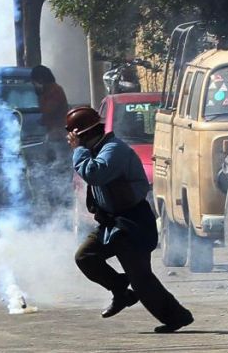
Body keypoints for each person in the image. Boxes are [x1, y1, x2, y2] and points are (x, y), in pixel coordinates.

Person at [68, 106, 193, 333]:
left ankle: (177, 317)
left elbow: (95, 173)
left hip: (131, 223)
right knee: (86, 256)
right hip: (111, 222)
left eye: (75, 137)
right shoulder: (95, 150)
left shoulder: (114, 150)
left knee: (141, 278)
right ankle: (121, 291)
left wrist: (78, 150)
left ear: (83, 134)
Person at [31, 65, 70, 171]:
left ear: (41, 79)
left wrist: (40, 95)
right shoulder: (48, 91)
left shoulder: (54, 91)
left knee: (60, 165)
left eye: (34, 81)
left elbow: (48, 110)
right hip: (53, 134)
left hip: (59, 134)